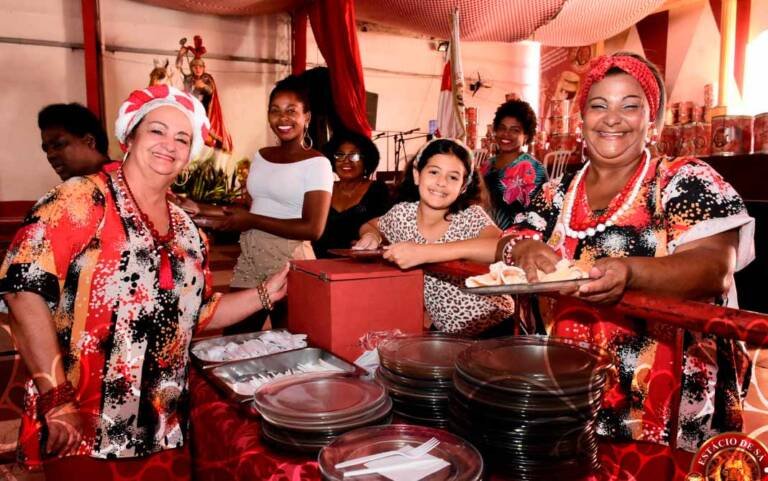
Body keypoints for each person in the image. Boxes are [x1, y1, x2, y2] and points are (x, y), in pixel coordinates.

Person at [0, 85, 288, 480]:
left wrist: (266, 293)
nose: (169, 144)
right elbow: (22, 289)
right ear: (130, 136)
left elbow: (198, 315)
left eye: (182, 138)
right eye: (157, 131)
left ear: (190, 153)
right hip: (85, 421)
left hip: (161, 425)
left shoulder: (188, 231)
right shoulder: (80, 200)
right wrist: (56, 398)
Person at [499, 52, 755, 479]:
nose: (612, 118)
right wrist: (521, 251)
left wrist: (630, 274)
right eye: (599, 105)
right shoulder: (556, 193)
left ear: (651, 120)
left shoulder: (683, 179)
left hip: (659, 400)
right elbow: (512, 237)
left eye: (629, 105)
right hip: (568, 395)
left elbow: (713, 267)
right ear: (581, 120)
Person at [191, 75, 333, 330]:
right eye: (275, 111)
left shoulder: (318, 163)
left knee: (292, 342)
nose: (283, 118)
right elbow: (251, 208)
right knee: (234, 341)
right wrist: (200, 209)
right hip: (252, 255)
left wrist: (252, 220)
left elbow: (313, 228)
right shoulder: (261, 156)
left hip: (290, 259)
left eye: (292, 111)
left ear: (307, 117)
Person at [354, 138, 513, 336]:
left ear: (464, 186)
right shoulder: (402, 215)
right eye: (434, 172)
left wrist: (426, 253)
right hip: (448, 334)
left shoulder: (469, 216)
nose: (441, 182)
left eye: (453, 177)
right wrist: (371, 235)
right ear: (417, 175)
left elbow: (501, 246)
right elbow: (370, 224)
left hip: (495, 327)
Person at [312, 130, 391, 258]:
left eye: (354, 156)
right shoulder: (324, 189)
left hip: (360, 265)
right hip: (319, 263)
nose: (346, 161)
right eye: (339, 155)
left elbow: (386, 229)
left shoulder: (377, 190)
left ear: (366, 160)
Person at [480, 99, 548, 230]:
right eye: (502, 128)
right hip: (483, 238)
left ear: (526, 136)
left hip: (516, 242)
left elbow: (540, 216)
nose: (506, 134)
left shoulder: (535, 169)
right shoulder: (486, 165)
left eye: (515, 130)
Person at [176, 35, 232, 152]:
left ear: (203, 68)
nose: (197, 69)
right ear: (191, 68)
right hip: (191, 111)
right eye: (195, 66)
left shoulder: (207, 78)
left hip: (205, 112)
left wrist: (203, 87)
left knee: (208, 138)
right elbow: (178, 69)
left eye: (200, 66)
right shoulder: (189, 79)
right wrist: (180, 55)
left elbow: (211, 92)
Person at [38, 103, 113, 181]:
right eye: (46, 150)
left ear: (90, 141)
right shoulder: (67, 191)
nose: (50, 156)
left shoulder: (123, 180)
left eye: (58, 145)